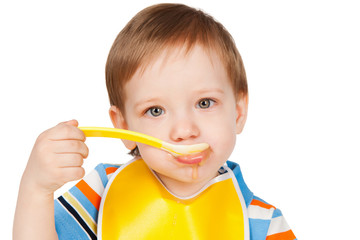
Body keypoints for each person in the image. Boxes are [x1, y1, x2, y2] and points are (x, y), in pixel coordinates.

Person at [13, 3, 296, 240]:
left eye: (204, 103)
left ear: (238, 112)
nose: (185, 131)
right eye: (156, 111)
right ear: (123, 127)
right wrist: (36, 189)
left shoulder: (263, 223)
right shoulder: (102, 191)